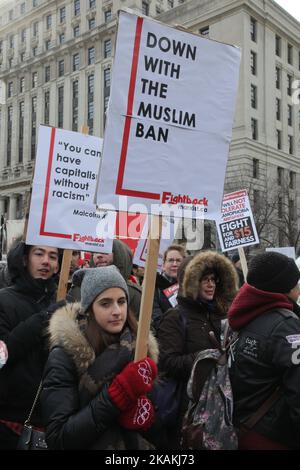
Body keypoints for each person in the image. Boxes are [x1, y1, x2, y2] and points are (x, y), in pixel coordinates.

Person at [41, 265, 159, 450]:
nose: (117, 311)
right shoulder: (65, 355)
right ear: (89, 308)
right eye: (105, 303)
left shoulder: (139, 349)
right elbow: (59, 437)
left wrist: (148, 419)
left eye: (121, 301)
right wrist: (115, 398)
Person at [157, 250, 238, 448]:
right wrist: (206, 358)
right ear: (191, 282)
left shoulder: (222, 314)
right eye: (204, 279)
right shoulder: (175, 317)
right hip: (189, 407)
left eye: (213, 279)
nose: (211, 284)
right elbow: (168, 362)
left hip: (222, 404)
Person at [228, 252, 300, 450]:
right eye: (296, 283)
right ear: (285, 287)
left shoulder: (242, 315)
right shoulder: (285, 326)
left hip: (244, 425)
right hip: (275, 434)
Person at [0, 242, 62, 449]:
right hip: (10, 421)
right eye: (39, 253)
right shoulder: (4, 300)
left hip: (51, 421)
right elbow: (3, 354)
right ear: (25, 259)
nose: (46, 260)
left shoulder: (63, 303)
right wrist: (45, 318)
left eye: (53, 256)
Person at [68, 239, 142, 319]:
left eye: (106, 251)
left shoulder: (135, 294)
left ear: (120, 255)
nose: (98, 255)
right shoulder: (78, 289)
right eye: (95, 252)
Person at [152, 244, 186, 334]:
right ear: (163, 265)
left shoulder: (191, 287)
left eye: (178, 260)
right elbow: (157, 320)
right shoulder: (155, 289)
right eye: (171, 260)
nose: (174, 264)